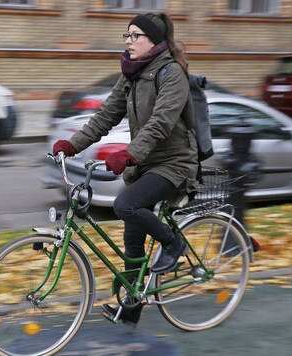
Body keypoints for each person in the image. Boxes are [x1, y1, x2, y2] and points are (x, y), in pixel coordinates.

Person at [52, 12, 198, 326]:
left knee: (125, 205)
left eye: (136, 36)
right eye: (127, 36)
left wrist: (129, 154)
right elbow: (105, 115)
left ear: (154, 41)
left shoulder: (171, 73)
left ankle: (173, 241)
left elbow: (160, 123)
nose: (129, 42)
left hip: (174, 163)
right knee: (132, 238)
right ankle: (131, 308)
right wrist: (73, 144)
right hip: (146, 164)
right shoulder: (131, 73)